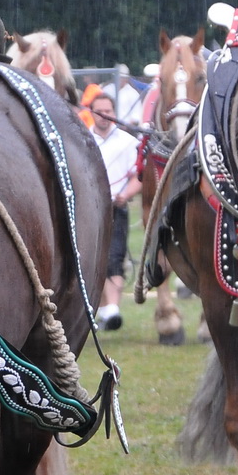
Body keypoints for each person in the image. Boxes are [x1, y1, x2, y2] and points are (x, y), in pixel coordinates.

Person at [89, 92, 140, 330]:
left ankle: (113, 310)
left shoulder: (128, 141)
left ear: (114, 112)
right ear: (92, 113)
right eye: (99, 111)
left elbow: (139, 176)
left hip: (117, 208)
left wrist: (125, 195)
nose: (104, 116)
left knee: (115, 257)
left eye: (108, 111)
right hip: (89, 210)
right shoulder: (83, 140)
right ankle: (100, 311)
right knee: (92, 259)